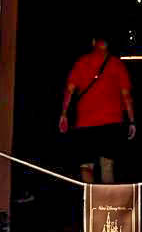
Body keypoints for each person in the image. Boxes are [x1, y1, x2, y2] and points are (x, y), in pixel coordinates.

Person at [58, 32, 135, 183]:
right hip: (111, 122)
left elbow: (69, 90)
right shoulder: (117, 64)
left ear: (94, 42)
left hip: (85, 122)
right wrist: (132, 121)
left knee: (86, 166)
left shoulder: (82, 62)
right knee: (107, 165)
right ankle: (106, 198)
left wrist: (64, 114)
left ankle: (90, 197)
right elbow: (126, 96)